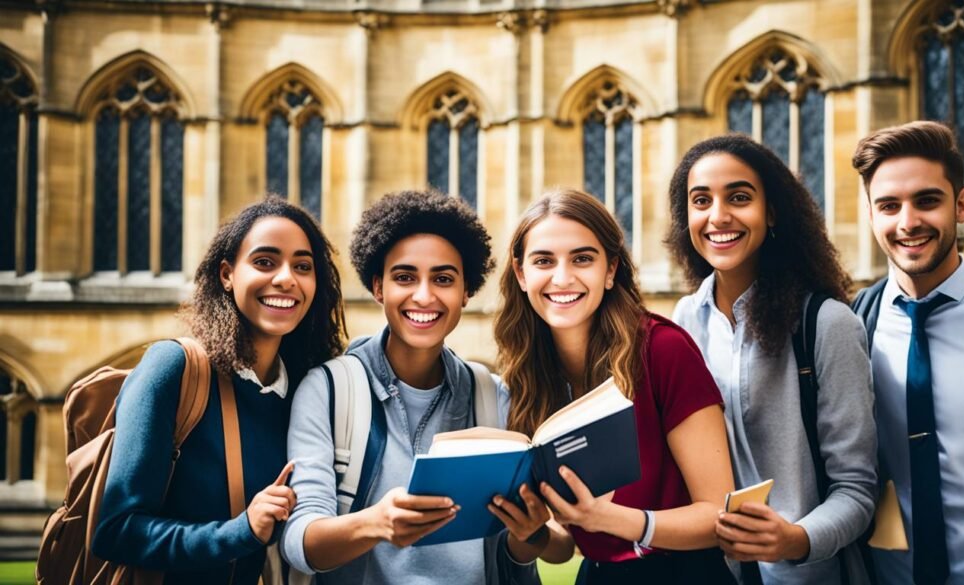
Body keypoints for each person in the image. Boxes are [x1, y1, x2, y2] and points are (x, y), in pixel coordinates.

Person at [281, 190, 546, 584]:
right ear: (378, 287)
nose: (424, 295)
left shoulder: (493, 396)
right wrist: (376, 524)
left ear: (466, 292)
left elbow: (516, 553)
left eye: (443, 279)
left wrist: (531, 532)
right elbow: (301, 543)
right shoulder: (328, 389)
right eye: (405, 277)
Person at [92, 197, 347, 583]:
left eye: (302, 266)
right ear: (227, 274)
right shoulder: (173, 369)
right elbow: (115, 532)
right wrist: (241, 531)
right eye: (265, 262)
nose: (286, 278)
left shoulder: (305, 390)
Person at [493, 188, 736, 583]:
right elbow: (564, 545)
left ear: (610, 271)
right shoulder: (528, 373)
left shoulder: (662, 349)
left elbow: (719, 513)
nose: (562, 277)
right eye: (543, 261)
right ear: (522, 274)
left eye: (582, 259)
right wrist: (531, 531)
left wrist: (608, 518)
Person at [667, 134, 877, 584]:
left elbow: (857, 490)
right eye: (701, 200)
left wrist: (796, 538)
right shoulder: (684, 319)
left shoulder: (827, 324)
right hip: (711, 574)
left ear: (773, 211)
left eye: (739, 197)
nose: (718, 215)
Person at [851, 120, 964, 585]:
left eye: (927, 201)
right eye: (889, 206)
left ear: (962, 204)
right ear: (870, 213)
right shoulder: (851, 325)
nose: (908, 222)